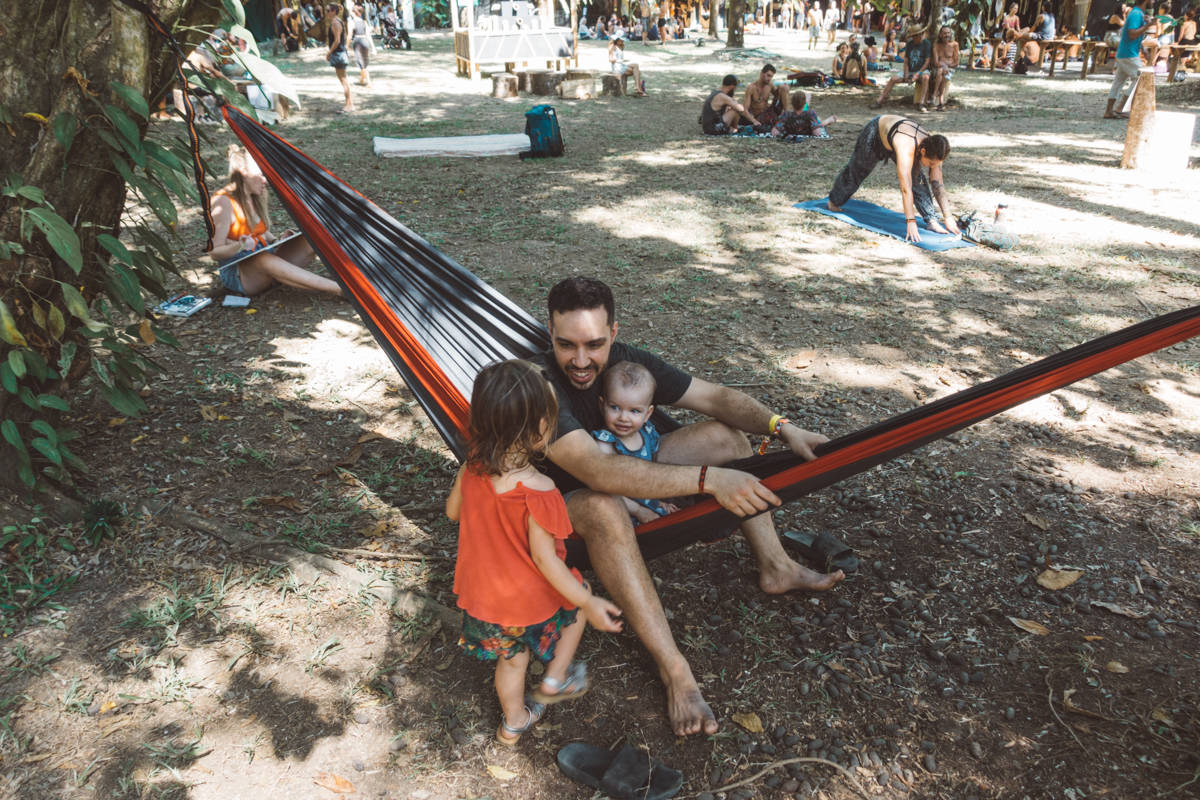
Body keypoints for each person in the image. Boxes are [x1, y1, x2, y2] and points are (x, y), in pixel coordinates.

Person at [533, 277, 844, 737]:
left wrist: (782, 427)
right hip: (567, 503)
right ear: (550, 334)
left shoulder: (628, 362)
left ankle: (777, 566)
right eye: (567, 345)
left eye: (594, 344)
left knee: (725, 437)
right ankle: (675, 669)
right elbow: (596, 471)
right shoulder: (538, 384)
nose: (581, 361)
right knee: (601, 505)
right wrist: (708, 480)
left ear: (613, 334)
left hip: (633, 465)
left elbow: (715, 397)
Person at [447, 360, 624, 747]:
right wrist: (588, 601)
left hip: (483, 600)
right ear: (540, 430)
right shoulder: (541, 491)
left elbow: (452, 513)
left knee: (511, 661)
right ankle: (554, 680)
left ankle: (513, 724)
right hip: (526, 602)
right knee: (575, 611)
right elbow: (547, 561)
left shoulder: (471, 469)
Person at [209, 147, 344, 298]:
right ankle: (340, 289)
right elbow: (214, 252)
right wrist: (238, 245)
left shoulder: (253, 196)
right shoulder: (223, 201)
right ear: (243, 172)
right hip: (239, 274)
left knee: (310, 237)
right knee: (262, 259)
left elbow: (259, 231)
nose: (265, 181)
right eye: (260, 175)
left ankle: (355, 277)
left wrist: (277, 241)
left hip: (267, 258)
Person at [827, 115, 961, 242]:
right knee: (858, 169)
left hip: (896, 137)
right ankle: (834, 201)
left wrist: (948, 217)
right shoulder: (906, 146)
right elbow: (905, 188)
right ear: (923, 151)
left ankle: (931, 220)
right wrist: (911, 221)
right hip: (875, 133)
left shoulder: (938, 149)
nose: (931, 167)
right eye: (931, 163)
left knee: (918, 179)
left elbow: (937, 185)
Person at [591, 362, 680, 523]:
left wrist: (659, 502)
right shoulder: (605, 444)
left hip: (649, 501)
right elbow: (606, 490)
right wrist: (639, 510)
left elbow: (654, 472)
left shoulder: (647, 433)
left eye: (634, 411)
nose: (624, 418)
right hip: (624, 514)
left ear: (647, 414)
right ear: (601, 405)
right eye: (615, 407)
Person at [1105, 0, 1150, 118]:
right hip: (1128, 54)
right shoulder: (1136, 14)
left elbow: (1134, 35)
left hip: (1125, 52)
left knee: (1118, 82)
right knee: (1142, 79)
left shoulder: (1137, 13)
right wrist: (1148, 26)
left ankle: (1109, 111)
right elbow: (1132, 34)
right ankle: (1120, 108)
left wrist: (1143, 48)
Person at [872, 26, 932, 112]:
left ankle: (922, 103)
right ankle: (879, 100)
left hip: (921, 70)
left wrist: (917, 74)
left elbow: (927, 62)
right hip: (910, 69)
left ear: (920, 35)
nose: (913, 38)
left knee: (926, 77)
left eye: (915, 36)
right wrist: (906, 74)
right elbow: (906, 61)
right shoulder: (910, 44)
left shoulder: (926, 44)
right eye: (912, 36)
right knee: (893, 79)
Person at [325, 4, 354, 113]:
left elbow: (337, 40)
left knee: (343, 80)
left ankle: (349, 105)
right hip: (340, 53)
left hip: (338, 54)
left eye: (328, 10)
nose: (327, 13)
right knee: (344, 80)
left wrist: (329, 52)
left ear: (333, 11)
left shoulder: (335, 23)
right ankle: (349, 104)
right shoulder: (339, 21)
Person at [771, 89, 838, 137]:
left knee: (816, 119)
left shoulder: (786, 114)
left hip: (793, 127)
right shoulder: (810, 114)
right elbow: (817, 133)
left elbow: (774, 132)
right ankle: (829, 120)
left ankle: (807, 98)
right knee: (818, 120)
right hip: (808, 123)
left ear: (792, 103)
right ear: (804, 103)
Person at [930, 25, 958, 111]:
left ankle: (934, 95)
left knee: (941, 71)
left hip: (950, 69)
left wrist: (947, 66)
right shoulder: (936, 45)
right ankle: (941, 102)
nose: (947, 35)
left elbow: (956, 62)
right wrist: (943, 66)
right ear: (940, 34)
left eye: (948, 33)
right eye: (944, 33)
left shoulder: (955, 44)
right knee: (941, 71)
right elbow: (935, 62)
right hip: (939, 68)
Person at [349, 4, 375, 87]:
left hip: (357, 41)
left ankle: (368, 81)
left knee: (361, 62)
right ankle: (362, 79)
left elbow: (349, 35)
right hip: (365, 41)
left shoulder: (352, 22)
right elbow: (368, 35)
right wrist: (373, 47)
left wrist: (347, 45)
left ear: (354, 12)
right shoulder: (364, 22)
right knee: (364, 61)